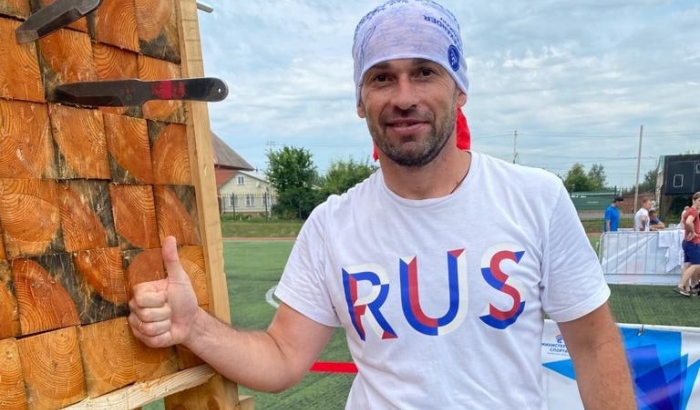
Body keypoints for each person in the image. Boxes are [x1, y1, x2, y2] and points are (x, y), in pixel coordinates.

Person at [127, 1, 635, 408]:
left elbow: (594, 345)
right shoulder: (332, 226)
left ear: (459, 89)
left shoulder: (536, 198)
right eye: (382, 78)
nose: (403, 96)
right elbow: (282, 357)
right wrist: (194, 327)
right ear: (360, 99)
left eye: (425, 72)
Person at [675, 193, 700, 295]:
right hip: (693, 242)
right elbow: (689, 222)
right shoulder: (693, 212)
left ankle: (686, 288)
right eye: (699, 201)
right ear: (693, 200)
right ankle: (681, 285)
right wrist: (693, 232)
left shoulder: (689, 211)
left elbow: (685, 221)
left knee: (687, 265)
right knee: (696, 264)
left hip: (687, 242)